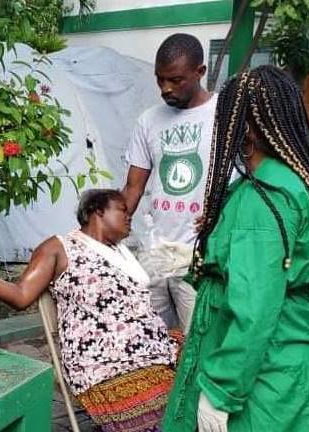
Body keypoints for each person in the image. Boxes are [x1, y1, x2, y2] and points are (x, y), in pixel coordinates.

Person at [161, 65, 309, 432]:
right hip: (284, 361)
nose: (225, 128)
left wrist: (221, 392)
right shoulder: (286, 182)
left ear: (252, 127)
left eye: (230, 118)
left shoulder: (263, 200)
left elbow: (253, 310)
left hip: (261, 371)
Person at [0, 190, 183, 432]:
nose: (130, 217)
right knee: (177, 424)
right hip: (107, 362)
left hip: (153, 350)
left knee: (204, 373)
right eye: (122, 210)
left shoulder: (122, 253)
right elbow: (20, 295)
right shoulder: (59, 247)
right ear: (97, 211)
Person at [121, 33, 217, 334]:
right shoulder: (149, 121)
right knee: (151, 339)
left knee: (196, 342)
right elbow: (134, 187)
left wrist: (221, 215)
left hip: (201, 254)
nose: (166, 89)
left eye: (176, 80)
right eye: (160, 80)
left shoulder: (224, 114)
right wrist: (107, 231)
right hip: (155, 252)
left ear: (200, 72)